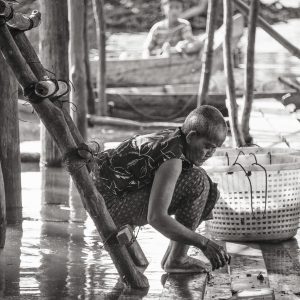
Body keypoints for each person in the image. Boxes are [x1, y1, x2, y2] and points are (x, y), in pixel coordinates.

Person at [93, 105, 230, 273]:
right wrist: (204, 243)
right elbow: (156, 218)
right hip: (110, 207)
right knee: (198, 181)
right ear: (191, 137)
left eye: (215, 148)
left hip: (113, 197)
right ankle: (177, 259)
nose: (210, 153)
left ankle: (176, 257)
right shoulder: (172, 159)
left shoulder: (175, 139)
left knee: (206, 185)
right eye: (207, 146)